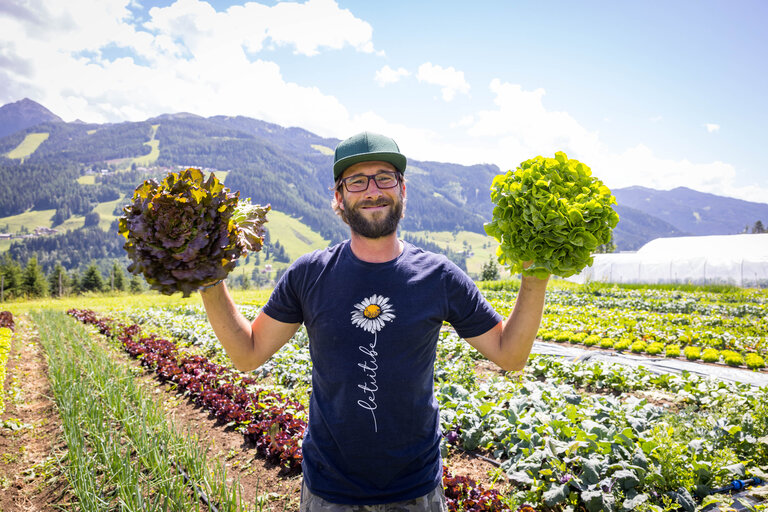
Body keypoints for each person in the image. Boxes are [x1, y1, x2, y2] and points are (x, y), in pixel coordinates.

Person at [200, 131, 549, 511]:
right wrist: (208, 281)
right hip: (330, 489)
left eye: (385, 177)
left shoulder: (439, 277)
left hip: (415, 487)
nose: (372, 190)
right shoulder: (308, 275)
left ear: (403, 190)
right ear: (339, 197)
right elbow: (248, 354)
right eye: (356, 181)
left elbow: (510, 356)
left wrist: (536, 275)